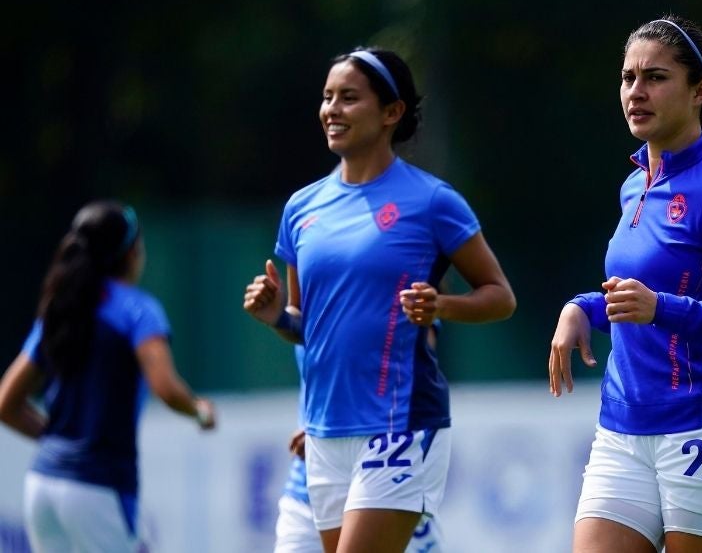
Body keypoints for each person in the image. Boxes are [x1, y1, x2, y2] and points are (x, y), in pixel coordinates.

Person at [244, 47, 516, 553]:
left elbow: (500, 296)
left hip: (400, 422)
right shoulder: (301, 208)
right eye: (327, 98)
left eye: (349, 98)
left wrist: (442, 306)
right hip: (323, 430)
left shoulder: (432, 201)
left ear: (392, 112)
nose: (332, 110)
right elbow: (302, 324)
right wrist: (275, 315)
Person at [547, 15, 702, 553]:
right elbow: (635, 296)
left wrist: (663, 309)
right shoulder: (635, 184)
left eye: (655, 77)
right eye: (628, 78)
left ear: (701, 91)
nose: (636, 92)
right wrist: (582, 308)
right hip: (621, 430)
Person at [0, 200, 216, 553]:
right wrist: (200, 411)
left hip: (42, 484)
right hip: (98, 487)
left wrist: (57, 443)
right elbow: (165, 387)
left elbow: (6, 403)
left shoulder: (61, 308)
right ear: (131, 253)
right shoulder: (137, 310)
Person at [275, 346, 445, 553]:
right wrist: (280, 318)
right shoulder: (307, 315)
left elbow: (415, 355)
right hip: (310, 484)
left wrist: (338, 428)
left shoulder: (391, 315)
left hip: (383, 472)